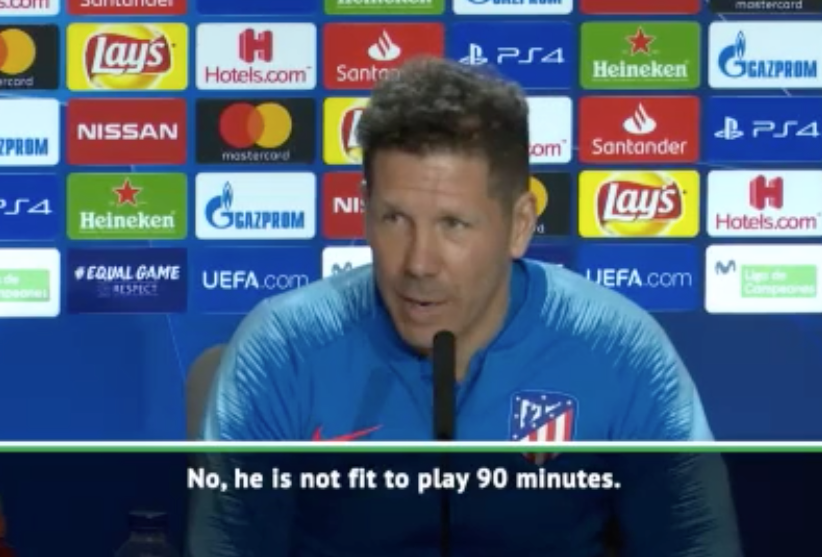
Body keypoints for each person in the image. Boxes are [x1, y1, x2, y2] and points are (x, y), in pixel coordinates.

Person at [188, 56, 741, 556]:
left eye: (453, 224)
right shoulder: (285, 349)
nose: (418, 262)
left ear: (519, 225)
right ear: (364, 212)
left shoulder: (618, 350)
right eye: (394, 219)